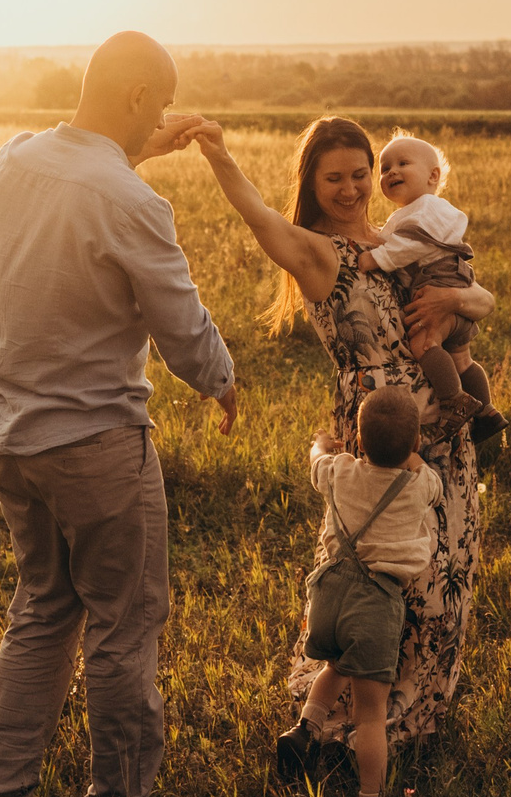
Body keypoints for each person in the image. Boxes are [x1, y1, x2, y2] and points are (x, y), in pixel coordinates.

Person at [0, 31, 239, 797]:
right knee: (125, 622)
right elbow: (181, 326)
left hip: (11, 435)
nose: (156, 120)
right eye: (152, 104)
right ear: (133, 100)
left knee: (43, 611)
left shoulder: (16, 160)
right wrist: (220, 376)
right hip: (97, 442)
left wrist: (142, 145)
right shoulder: (132, 203)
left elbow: (92, 180)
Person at [188, 115, 493, 762]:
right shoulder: (318, 253)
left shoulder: (400, 233)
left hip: (442, 424)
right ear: (314, 182)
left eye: (362, 172)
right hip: (378, 434)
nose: (354, 187)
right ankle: (343, 720)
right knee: (377, 571)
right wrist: (218, 153)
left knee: (445, 565)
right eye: (336, 177)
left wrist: (450, 301)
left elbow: (475, 293)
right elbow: (258, 216)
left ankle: (419, 706)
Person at [290, 386, 442, 797]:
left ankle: (306, 729)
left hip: (329, 595)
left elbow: (316, 460)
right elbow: (434, 485)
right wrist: (412, 457)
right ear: (413, 445)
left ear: (357, 443)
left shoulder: (340, 470)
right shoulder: (417, 486)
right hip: (376, 602)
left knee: (336, 663)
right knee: (370, 713)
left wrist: (321, 443)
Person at [357, 133, 505, 445]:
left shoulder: (425, 208)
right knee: (461, 360)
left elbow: (409, 245)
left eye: (402, 163)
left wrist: (375, 259)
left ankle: (455, 401)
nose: (391, 172)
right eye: (384, 168)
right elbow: (393, 236)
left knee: (424, 343)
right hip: (457, 285)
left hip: (437, 282)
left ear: (432, 176)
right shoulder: (413, 212)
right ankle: (488, 412)